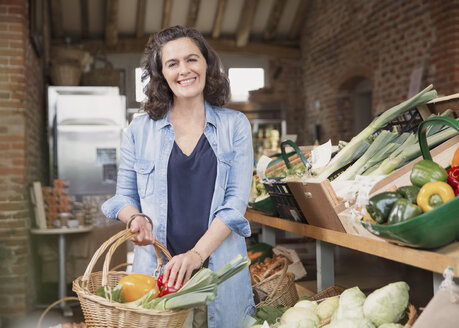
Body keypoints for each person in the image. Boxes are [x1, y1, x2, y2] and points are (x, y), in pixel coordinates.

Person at [101, 25, 255, 327]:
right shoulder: (139, 129)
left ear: (207, 64)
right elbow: (124, 197)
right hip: (157, 280)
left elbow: (235, 204)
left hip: (220, 275)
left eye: (192, 59)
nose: (184, 70)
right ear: (161, 74)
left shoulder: (234, 126)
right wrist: (135, 219)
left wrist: (195, 255)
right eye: (172, 63)